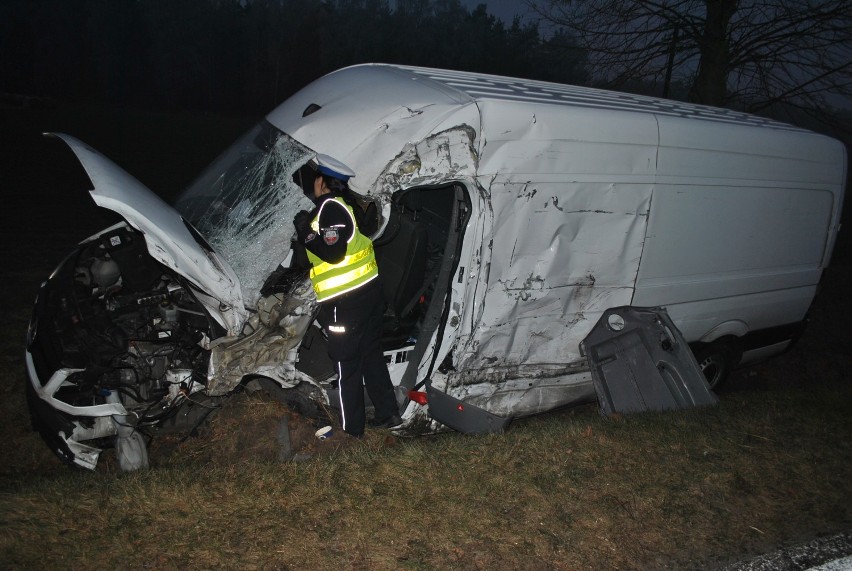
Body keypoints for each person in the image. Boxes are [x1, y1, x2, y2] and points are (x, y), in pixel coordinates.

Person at [291, 153, 402, 437]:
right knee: (370, 354)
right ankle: (388, 414)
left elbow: (334, 252)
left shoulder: (329, 208)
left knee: (345, 361)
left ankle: (350, 431)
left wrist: (305, 231)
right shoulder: (343, 206)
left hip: (346, 302)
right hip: (367, 296)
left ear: (321, 182)